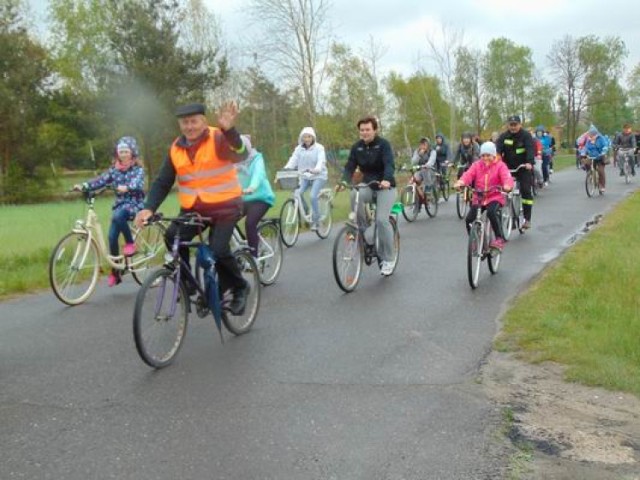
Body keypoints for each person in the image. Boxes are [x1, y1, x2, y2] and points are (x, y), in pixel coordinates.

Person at [134, 102, 251, 316]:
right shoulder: (176, 148)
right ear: (180, 125)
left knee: (218, 249)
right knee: (172, 236)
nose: (190, 126)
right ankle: (187, 283)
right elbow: (163, 181)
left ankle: (240, 286)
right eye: (185, 122)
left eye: (194, 121)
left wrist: (230, 130)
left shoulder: (219, 137)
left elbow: (241, 153)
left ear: (204, 121)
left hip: (225, 206)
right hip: (194, 208)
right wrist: (148, 208)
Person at [74, 136, 145, 287]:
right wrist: (84, 186)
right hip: (120, 205)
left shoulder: (138, 170)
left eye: (126, 151)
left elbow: (137, 182)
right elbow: (100, 180)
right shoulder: (114, 171)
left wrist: (127, 187)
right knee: (111, 237)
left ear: (132, 153)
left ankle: (130, 244)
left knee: (119, 215)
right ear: (117, 153)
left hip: (135, 204)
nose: (123, 154)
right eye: (121, 151)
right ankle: (116, 272)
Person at [338, 116, 397, 276]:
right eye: (362, 130)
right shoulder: (356, 147)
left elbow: (389, 164)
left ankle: (389, 258)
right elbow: (350, 166)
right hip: (368, 185)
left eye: (367, 130)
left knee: (381, 220)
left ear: (374, 130)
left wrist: (386, 179)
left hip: (386, 187)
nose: (364, 133)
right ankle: (363, 231)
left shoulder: (383, 145)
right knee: (354, 193)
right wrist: (343, 181)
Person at [454, 141, 514, 251]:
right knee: (469, 220)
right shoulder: (477, 165)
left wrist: (507, 185)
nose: (485, 158)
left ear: (494, 155)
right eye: (483, 155)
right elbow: (468, 175)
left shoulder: (500, 166)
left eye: (488, 155)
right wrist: (461, 182)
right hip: (479, 197)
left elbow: (507, 177)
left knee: (492, 213)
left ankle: (499, 238)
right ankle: (476, 240)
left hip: (494, 196)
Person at [236, 135, 276, 257]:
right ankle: (245, 244)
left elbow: (258, 174)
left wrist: (252, 187)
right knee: (226, 220)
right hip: (243, 199)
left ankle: (253, 257)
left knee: (250, 223)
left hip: (261, 198)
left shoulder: (257, 158)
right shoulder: (233, 161)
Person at [283, 127, 327, 231]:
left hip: (318, 176)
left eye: (309, 137)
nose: (307, 139)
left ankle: (316, 220)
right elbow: (293, 159)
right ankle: (306, 211)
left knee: (312, 196)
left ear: (313, 137)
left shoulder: (319, 148)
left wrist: (316, 169)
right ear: (301, 138)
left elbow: (321, 161)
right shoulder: (299, 149)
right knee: (297, 193)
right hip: (305, 176)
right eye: (304, 137)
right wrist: (286, 169)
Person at [495, 115, 535, 229]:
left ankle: (527, 219)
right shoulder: (504, 136)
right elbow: (497, 150)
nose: (513, 127)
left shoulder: (526, 136)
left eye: (515, 125)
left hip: (523, 168)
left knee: (526, 191)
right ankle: (508, 216)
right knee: (501, 190)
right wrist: (497, 161)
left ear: (520, 125)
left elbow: (530, 150)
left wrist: (529, 162)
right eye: (511, 125)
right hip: (507, 168)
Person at [579, 125, 609, 193]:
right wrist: (583, 153)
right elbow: (585, 148)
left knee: (600, 171)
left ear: (595, 134)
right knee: (585, 162)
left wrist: (603, 151)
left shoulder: (601, 138)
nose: (591, 136)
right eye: (590, 134)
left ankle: (602, 186)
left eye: (592, 134)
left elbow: (605, 145)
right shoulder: (588, 140)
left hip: (600, 157)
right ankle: (590, 173)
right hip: (591, 157)